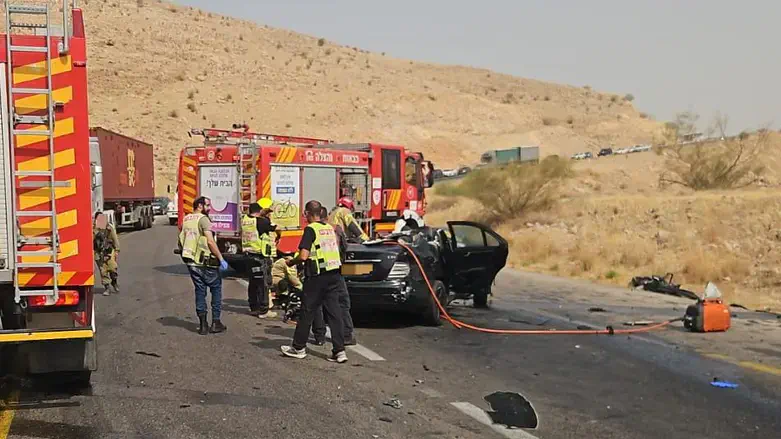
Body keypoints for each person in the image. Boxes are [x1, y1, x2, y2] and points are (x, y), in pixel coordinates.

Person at [281, 200, 348, 363]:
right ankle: (339, 351)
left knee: (307, 311)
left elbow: (304, 256)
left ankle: (298, 347)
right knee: (334, 313)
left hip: (317, 276)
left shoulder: (311, 229)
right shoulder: (329, 228)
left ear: (307, 214)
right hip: (334, 275)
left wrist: (291, 262)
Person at [178, 196, 229, 335]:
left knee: (200, 291)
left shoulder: (187, 219)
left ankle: (203, 325)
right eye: (207, 205)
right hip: (206, 262)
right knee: (216, 289)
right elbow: (211, 242)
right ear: (200, 206)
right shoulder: (203, 219)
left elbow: (182, 238)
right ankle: (216, 322)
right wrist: (221, 258)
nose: (209, 208)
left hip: (191, 262)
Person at [311, 206, 356, 346]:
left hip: (318, 271)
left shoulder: (313, 229)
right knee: (341, 303)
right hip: (336, 270)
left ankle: (319, 336)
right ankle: (346, 335)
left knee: (316, 303)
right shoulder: (335, 229)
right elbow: (344, 248)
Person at [240, 198, 279, 318]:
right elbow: (274, 228)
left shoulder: (245, 220)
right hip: (259, 255)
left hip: (248, 254)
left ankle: (254, 307)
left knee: (253, 282)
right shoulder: (261, 222)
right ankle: (263, 310)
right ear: (259, 211)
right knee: (263, 283)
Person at [93, 212, 120, 296]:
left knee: (112, 268)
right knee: (103, 271)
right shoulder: (94, 229)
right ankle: (107, 287)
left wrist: (116, 250)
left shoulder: (109, 228)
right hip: (98, 252)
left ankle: (114, 282)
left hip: (108, 251)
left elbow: (115, 238)